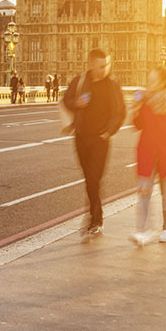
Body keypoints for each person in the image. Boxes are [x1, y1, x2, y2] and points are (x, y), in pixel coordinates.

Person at [62, 49, 126, 238]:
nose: (103, 69)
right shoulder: (80, 81)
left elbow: (120, 112)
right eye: (99, 66)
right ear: (90, 64)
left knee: (93, 179)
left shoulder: (112, 85)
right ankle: (94, 217)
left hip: (100, 139)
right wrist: (76, 104)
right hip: (81, 138)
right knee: (89, 181)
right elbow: (66, 100)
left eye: (106, 65)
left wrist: (108, 132)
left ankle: (95, 220)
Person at [130, 67, 166, 246]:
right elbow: (138, 125)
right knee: (144, 192)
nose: (149, 84)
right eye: (148, 80)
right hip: (147, 151)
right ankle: (142, 230)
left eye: (152, 80)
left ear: (163, 81)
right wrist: (135, 109)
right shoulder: (145, 100)